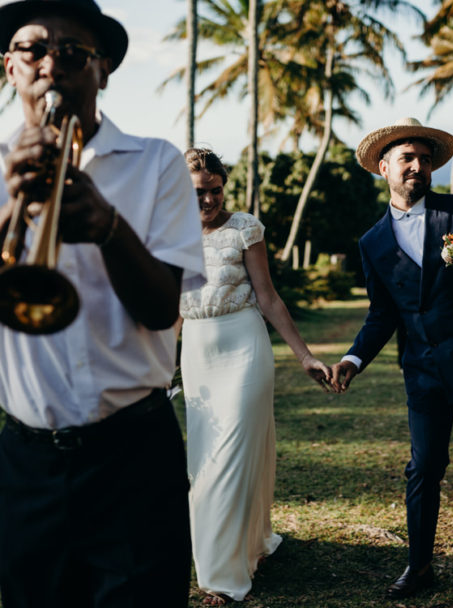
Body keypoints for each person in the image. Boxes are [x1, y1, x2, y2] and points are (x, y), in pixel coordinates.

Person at [0, 0, 206, 606]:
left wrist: (109, 227)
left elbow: (162, 308)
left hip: (132, 457)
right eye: (33, 49)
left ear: (103, 69)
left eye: (72, 51)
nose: (50, 63)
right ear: (8, 67)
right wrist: (13, 208)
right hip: (27, 460)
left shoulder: (156, 163)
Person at [330, 117, 453, 599]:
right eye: (407, 158)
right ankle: (419, 564)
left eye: (425, 158)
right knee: (424, 466)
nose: (418, 166)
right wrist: (353, 360)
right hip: (423, 368)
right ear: (384, 168)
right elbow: (382, 315)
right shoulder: (371, 242)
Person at [180, 147, 333, 606]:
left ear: (224, 187)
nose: (207, 201)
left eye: (214, 191)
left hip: (244, 347)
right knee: (203, 463)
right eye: (197, 193)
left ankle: (224, 580)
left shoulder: (244, 228)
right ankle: (248, 542)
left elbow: (268, 298)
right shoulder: (169, 234)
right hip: (197, 357)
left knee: (232, 455)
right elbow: (170, 311)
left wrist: (304, 355)